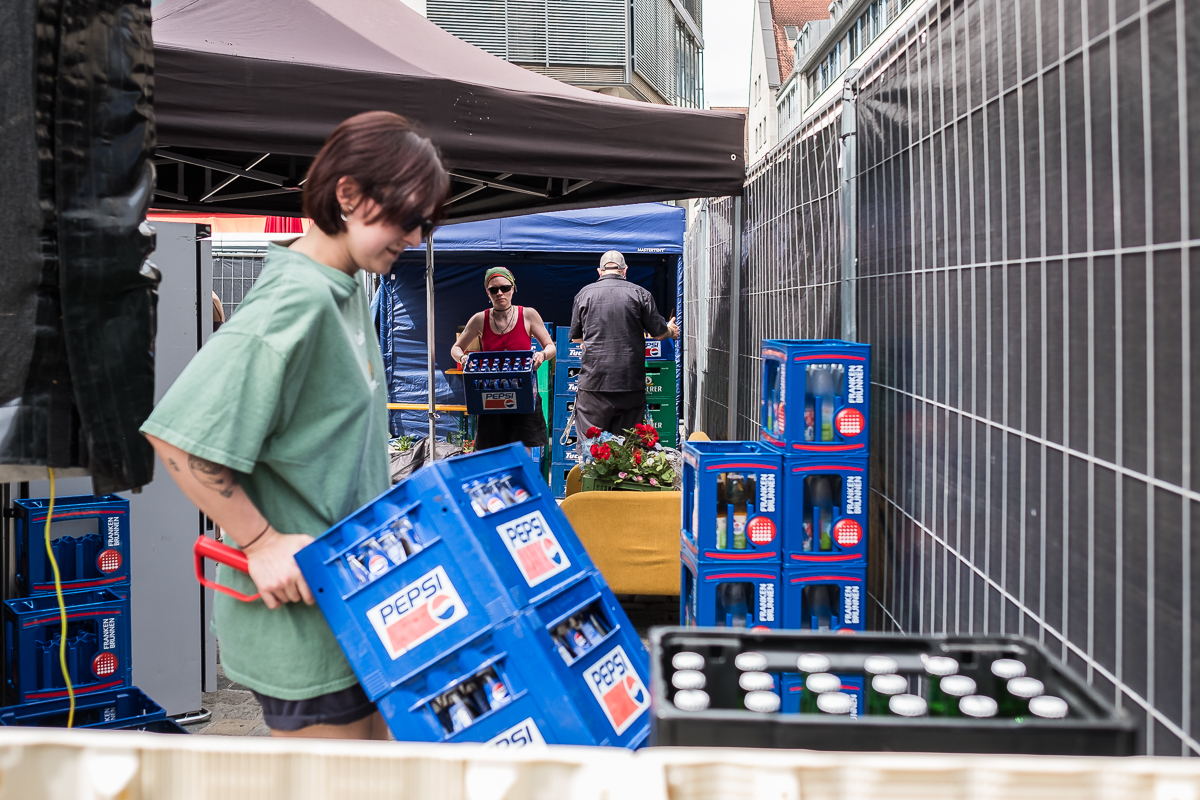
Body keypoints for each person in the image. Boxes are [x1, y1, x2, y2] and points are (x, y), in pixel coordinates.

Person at [139, 111, 448, 740]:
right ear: (349, 195)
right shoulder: (296, 299)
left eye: (424, 224)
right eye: (407, 218)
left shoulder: (348, 284)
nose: (415, 238)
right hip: (303, 620)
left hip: (357, 604)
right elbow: (177, 438)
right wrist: (259, 543)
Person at [568, 250, 679, 451]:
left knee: (591, 449)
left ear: (599, 271)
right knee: (628, 449)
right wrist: (670, 330)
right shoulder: (640, 294)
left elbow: (576, 337)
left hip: (594, 384)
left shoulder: (584, 294)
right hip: (630, 385)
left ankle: (593, 481)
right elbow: (659, 333)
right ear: (625, 270)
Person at [450, 267, 555, 451]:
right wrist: (463, 358)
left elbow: (551, 346)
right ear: (487, 292)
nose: (500, 293)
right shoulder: (479, 319)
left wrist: (542, 355)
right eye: (493, 289)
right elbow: (456, 348)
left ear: (513, 288)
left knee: (523, 450)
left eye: (505, 288)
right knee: (491, 451)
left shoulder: (528, 315)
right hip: (491, 394)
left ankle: (521, 480)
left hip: (523, 393)